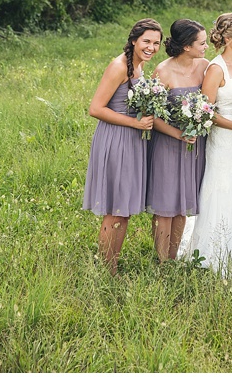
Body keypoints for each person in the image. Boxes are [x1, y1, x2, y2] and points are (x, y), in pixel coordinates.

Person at [82, 18, 163, 275]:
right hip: (116, 139)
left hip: (131, 139)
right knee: (115, 208)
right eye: (146, 41)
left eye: (156, 43)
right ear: (134, 41)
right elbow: (95, 108)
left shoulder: (138, 67)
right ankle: (108, 270)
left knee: (123, 209)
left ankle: (112, 264)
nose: (151, 47)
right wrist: (134, 123)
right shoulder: (119, 66)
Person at [184, 12, 232, 277]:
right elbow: (207, 113)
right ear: (228, 38)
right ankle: (216, 249)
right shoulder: (216, 69)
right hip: (225, 140)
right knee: (224, 186)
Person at [145, 19, 210, 263]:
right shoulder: (163, 71)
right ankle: (162, 261)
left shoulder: (205, 66)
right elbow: (151, 114)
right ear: (186, 47)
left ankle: (173, 256)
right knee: (165, 205)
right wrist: (179, 134)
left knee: (183, 202)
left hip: (194, 145)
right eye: (201, 43)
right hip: (168, 144)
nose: (206, 47)